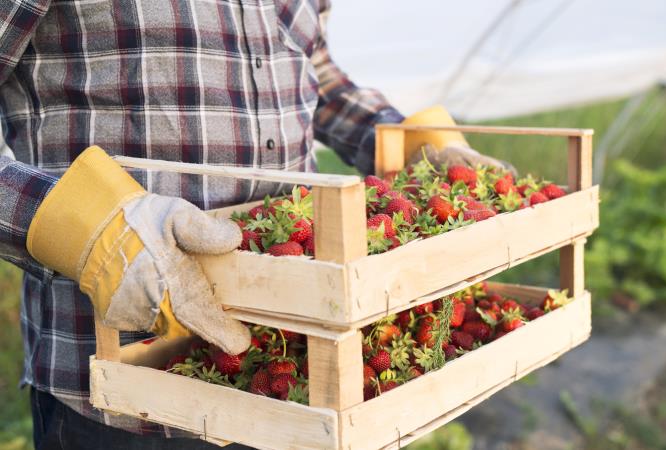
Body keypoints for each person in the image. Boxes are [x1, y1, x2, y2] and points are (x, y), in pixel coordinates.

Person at [0, 1, 512, 448]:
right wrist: (89, 233)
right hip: (129, 397)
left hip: (298, 369)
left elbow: (315, 73)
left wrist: (409, 142)